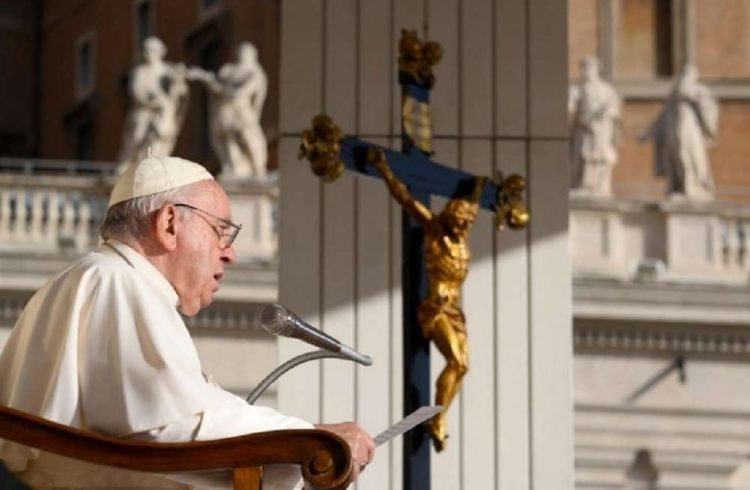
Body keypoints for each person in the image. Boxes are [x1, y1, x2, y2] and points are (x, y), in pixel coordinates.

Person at [0, 154, 374, 489]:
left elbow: (168, 420)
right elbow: (165, 430)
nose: (231, 255)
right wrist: (311, 440)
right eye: (221, 232)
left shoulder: (102, 280)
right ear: (169, 223)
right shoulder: (115, 281)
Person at [367, 147, 486, 452]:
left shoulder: (461, 240)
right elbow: (406, 199)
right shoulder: (436, 233)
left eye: (466, 223)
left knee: (463, 366)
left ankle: (438, 417)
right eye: (459, 222)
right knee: (457, 362)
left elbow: (472, 205)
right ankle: (439, 419)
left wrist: (479, 187)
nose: (462, 227)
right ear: (449, 219)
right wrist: (384, 169)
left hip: (455, 311)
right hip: (435, 309)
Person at [189, 43, 268, 179]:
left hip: (242, 110)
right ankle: (234, 167)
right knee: (227, 139)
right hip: (226, 110)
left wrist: (225, 91)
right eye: (242, 52)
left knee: (248, 137)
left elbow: (247, 93)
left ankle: (257, 168)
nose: (244, 55)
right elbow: (218, 89)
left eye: (247, 52)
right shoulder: (228, 71)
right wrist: (204, 77)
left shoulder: (254, 73)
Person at [641, 64, 719, 200]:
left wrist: (691, 96)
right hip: (673, 129)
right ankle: (678, 186)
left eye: (688, 73)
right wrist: (648, 133)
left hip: (690, 129)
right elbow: (662, 117)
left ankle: (694, 186)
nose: (685, 76)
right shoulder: (673, 96)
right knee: (674, 157)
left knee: (689, 155)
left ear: (695, 76)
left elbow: (708, 106)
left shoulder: (699, 90)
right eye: (682, 73)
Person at [117, 37, 190, 173]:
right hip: (143, 111)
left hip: (163, 112)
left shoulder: (167, 70)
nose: (148, 53)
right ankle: (127, 166)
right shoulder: (139, 71)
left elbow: (180, 92)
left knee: (160, 138)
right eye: (146, 51)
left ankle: (153, 166)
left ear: (160, 52)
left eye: (151, 50)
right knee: (137, 137)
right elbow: (135, 91)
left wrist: (177, 82)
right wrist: (151, 102)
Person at [568, 56, 621, 196]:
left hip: (601, 129)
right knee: (581, 156)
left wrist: (601, 117)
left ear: (596, 69)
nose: (585, 71)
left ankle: (597, 187)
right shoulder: (577, 88)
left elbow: (614, 108)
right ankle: (583, 185)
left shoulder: (607, 89)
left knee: (599, 157)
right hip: (582, 128)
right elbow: (570, 106)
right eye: (583, 68)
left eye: (588, 67)